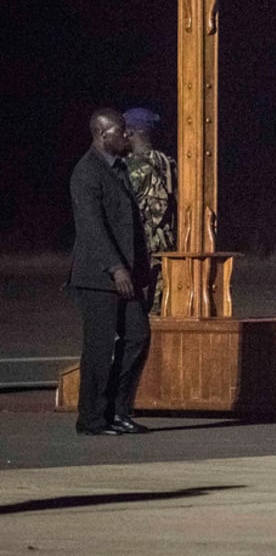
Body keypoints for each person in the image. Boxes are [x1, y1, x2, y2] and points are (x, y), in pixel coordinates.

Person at [68, 108, 153, 435]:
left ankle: (117, 410)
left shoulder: (117, 169)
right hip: (98, 277)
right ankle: (91, 418)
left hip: (125, 275)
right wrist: (116, 268)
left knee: (138, 337)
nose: (127, 135)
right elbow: (92, 228)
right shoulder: (86, 172)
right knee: (100, 349)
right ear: (103, 135)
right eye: (121, 131)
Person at [123, 107, 177, 314]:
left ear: (130, 133)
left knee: (137, 321)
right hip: (167, 252)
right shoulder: (167, 164)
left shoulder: (129, 168)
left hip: (140, 256)